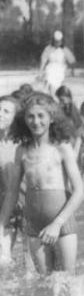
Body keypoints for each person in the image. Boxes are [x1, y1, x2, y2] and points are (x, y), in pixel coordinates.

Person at [0, 93, 84, 273]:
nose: (35, 121)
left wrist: (57, 224)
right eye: (30, 116)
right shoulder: (22, 150)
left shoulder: (62, 147)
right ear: (24, 119)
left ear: (52, 118)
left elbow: (79, 192)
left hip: (62, 224)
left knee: (67, 281)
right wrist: (1, 226)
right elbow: (12, 193)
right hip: (34, 225)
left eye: (41, 116)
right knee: (44, 284)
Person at [0, 95, 22, 257]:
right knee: (3, 259)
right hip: (4, 207)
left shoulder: (23, 144)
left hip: (25, 208)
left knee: (32, 266)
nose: (0, 113)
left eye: (6, 111)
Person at [39, 31, 76, 96]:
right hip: (50, 68)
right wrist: (41, 70)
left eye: (59, 42)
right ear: (53, 41)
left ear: (61, 41)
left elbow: (72, 60)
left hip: (60, 69)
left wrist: (72, 70)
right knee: (49, 76)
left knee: (57, 83)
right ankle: (49, 92)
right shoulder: (48, 49)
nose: (57, 43)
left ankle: (57, 92)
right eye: (56, 42)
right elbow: (43, 60)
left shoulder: (64, 49)